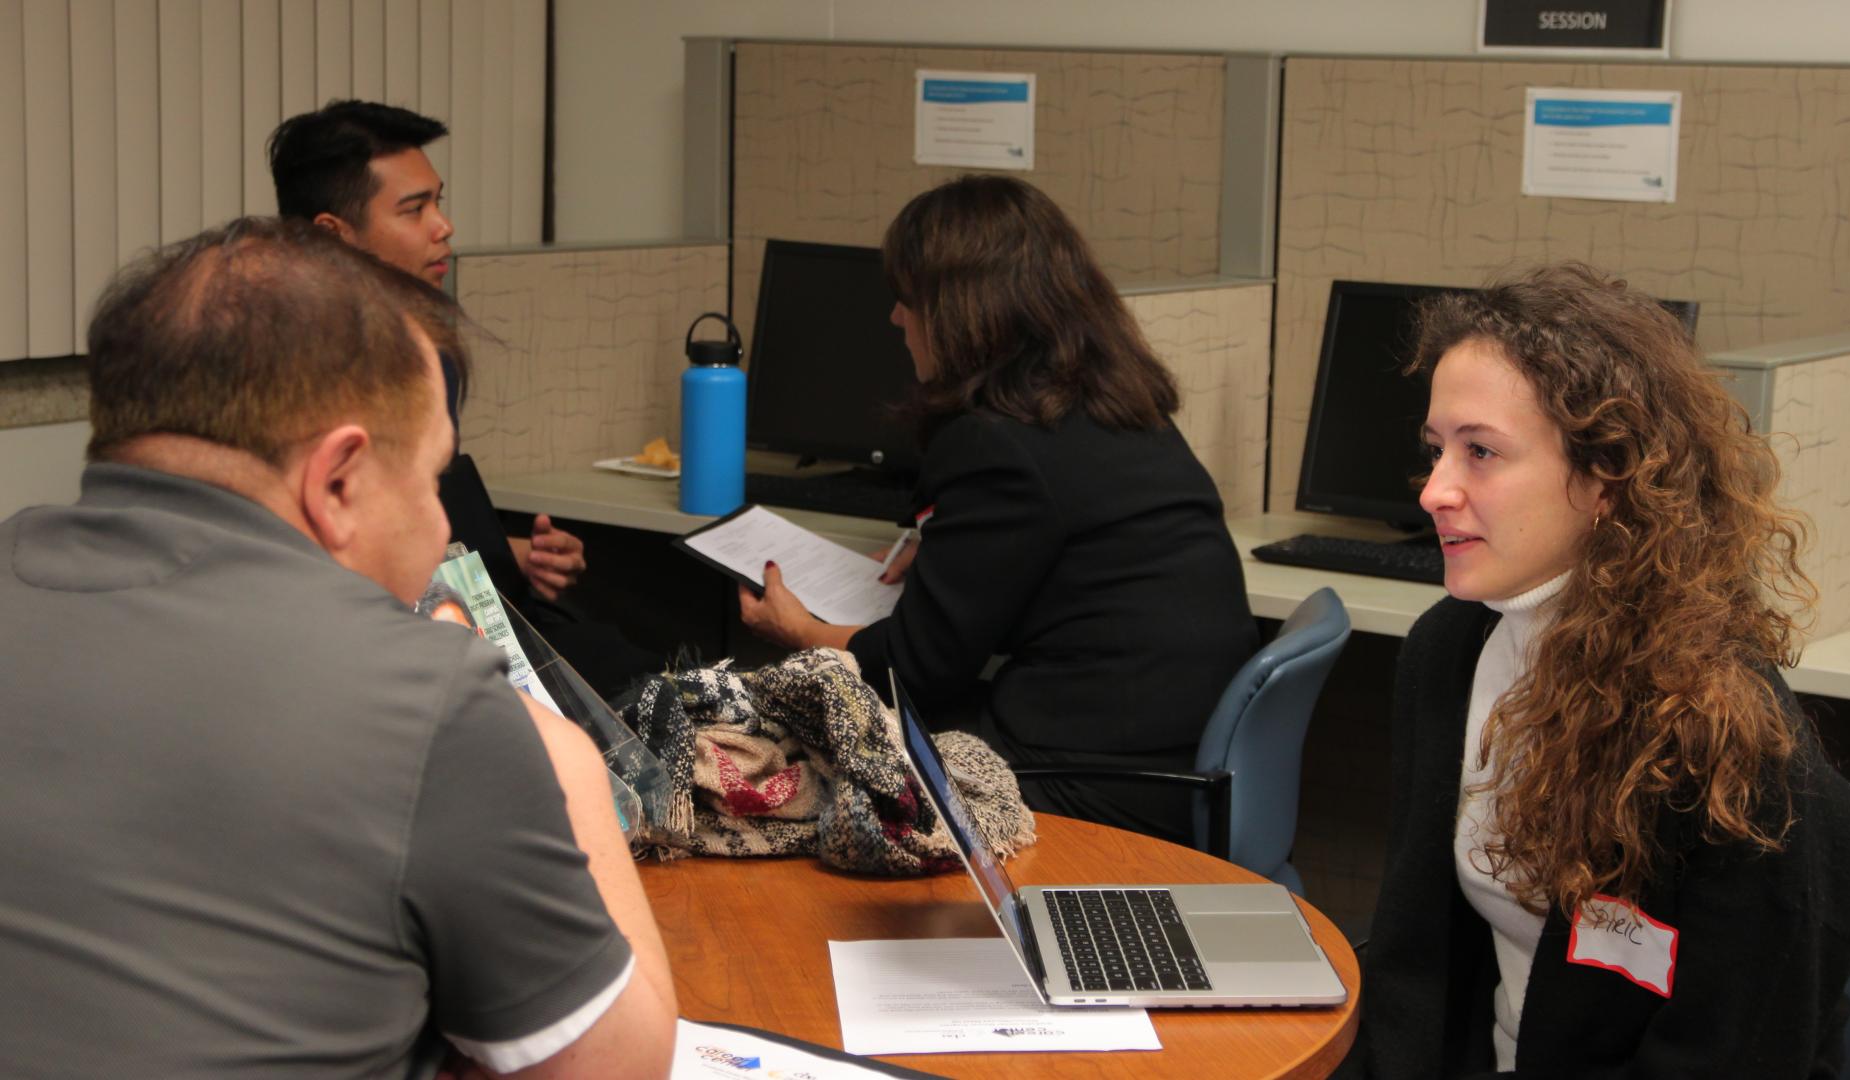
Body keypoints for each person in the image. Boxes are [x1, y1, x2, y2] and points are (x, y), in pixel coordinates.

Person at [0, 219, 675, 1077]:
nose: (441, 530)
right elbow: (617, 1069)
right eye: (434, 481)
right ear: (338, 481)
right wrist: (559, 752)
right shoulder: (423, 700)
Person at [1350, 263, 1850, 1077]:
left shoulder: (1712, 725)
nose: (1436, 490)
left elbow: (1731, 1052)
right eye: (1436, 451)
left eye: (1481, 453)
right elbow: (1415, 956)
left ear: (1607, 476)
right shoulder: (1451, 647)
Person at [738, 175, 1258, 845]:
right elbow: (1074, 555)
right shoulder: (1116, 401)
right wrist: (952, 550)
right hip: (1168, 756)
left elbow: (915, 666)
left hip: (1095, 782)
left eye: (908, 297)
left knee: (781, 752)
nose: (897, 318)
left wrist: (800, 634)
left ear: (959, 310)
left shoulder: (996, 439)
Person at [269, 100, 657, 699]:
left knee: (647, 683)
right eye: (413, 209)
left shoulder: (427, 347)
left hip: (467, 617)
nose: (442, 226)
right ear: (332, 236)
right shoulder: (284, 379)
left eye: (438, 200)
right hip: (369, 654)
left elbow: (426, 521)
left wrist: (515, 555)